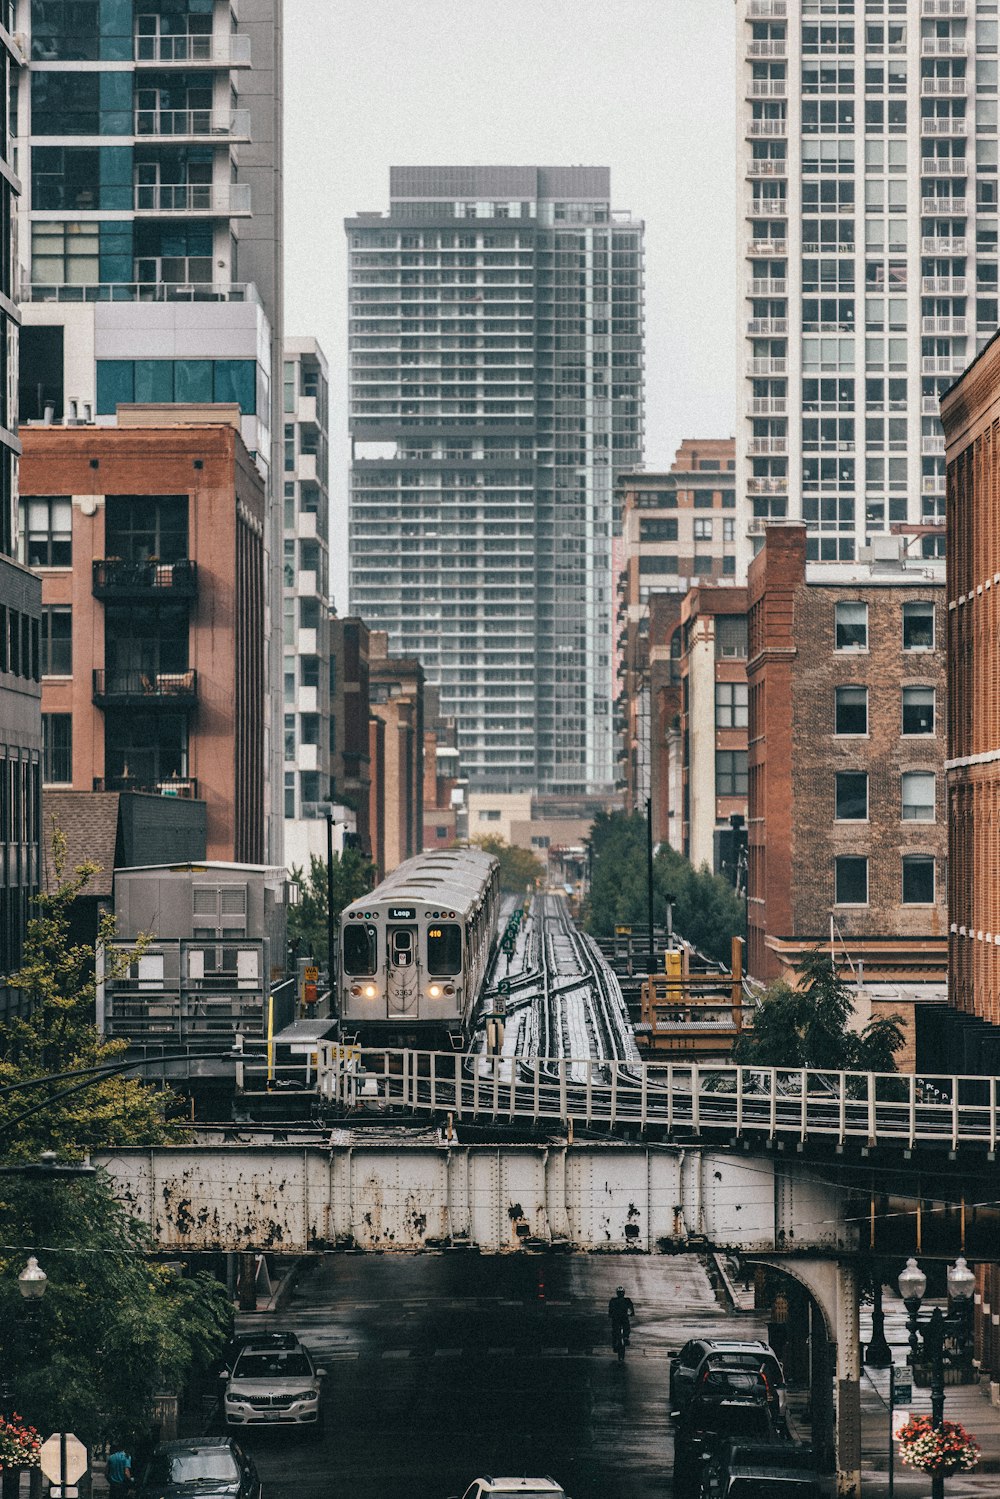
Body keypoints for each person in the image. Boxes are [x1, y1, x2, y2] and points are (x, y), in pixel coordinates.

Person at [608, 1285, 635, 1357]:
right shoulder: (627, 1300)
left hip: (617, 1318)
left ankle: (618, 1341)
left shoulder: (613, 1300)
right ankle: (625, 1337)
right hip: (623, 1318)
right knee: (625, 1328)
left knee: (615, 1331)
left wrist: (610, 1314)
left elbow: (610, 1309)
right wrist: (632, 1313)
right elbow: (631, 1308)